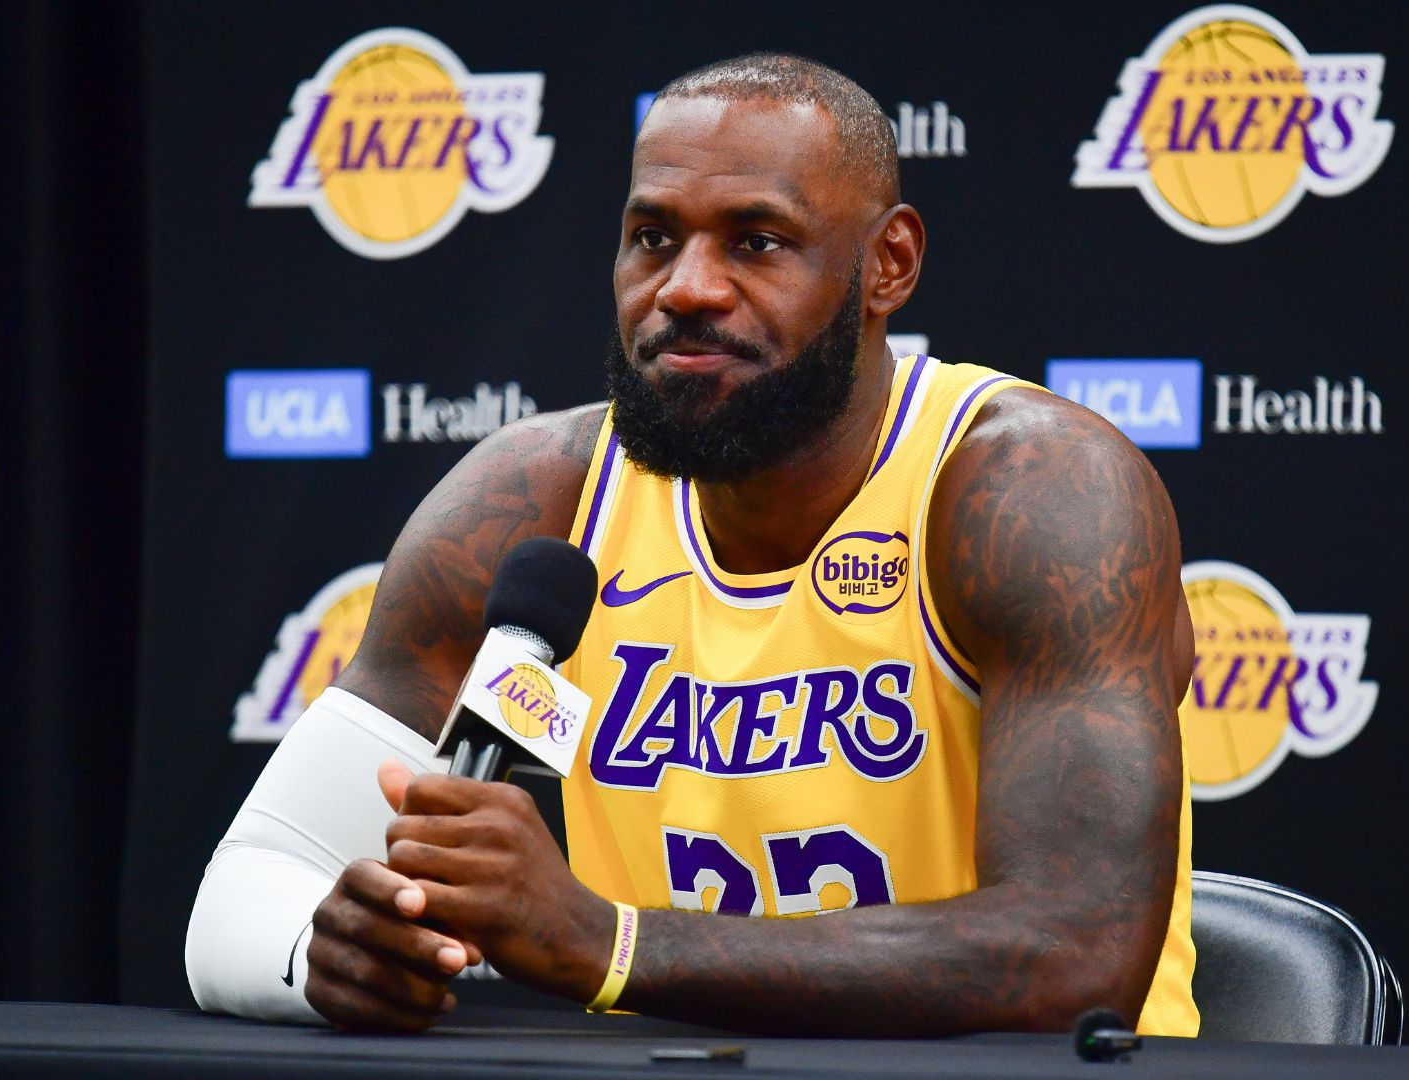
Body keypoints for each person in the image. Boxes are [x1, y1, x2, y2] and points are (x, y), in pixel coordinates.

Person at [186, 53, 1198, 1038]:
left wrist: (608, 943)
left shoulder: (1031, 489)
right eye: (652, 237)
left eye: (756, 241)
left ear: (887, 263)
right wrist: (326, 958)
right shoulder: (536, 498)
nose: (687, 288)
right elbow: (255, 882)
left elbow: (1075, 950)